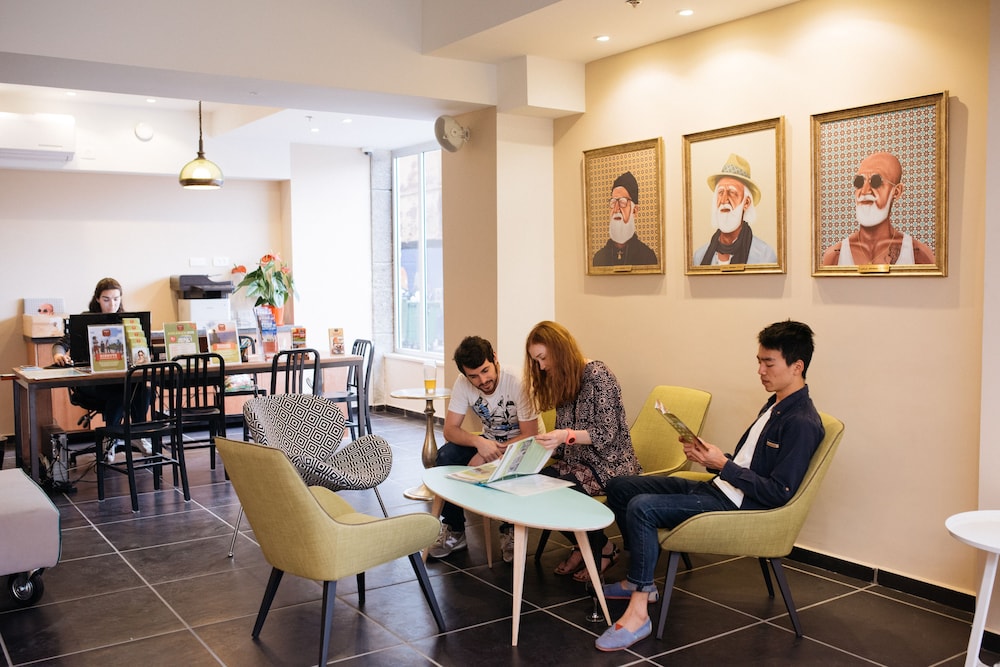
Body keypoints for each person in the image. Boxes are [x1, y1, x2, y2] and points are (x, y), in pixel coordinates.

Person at [593, 320, 824, 652]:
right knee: (621, 487)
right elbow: (749, 465)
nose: (760, 370)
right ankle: (638, 580)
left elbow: (778, 492)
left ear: (797, 366)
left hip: (740, 506)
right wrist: (711, 457)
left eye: (768, 362)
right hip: (720, 487)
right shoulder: (775, 403)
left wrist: (723, 465)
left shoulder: (801, 422)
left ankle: (639, 613)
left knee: (643, 508)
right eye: (758, 361)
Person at [523, 321, 641, 582]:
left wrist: (565, 436)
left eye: (543, 358)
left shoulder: (599, 375)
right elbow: (565, 437)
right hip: (579, 463)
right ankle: (594, 546)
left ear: (559, 350)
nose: (541, 367)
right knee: (532, 488)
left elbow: (608, 434)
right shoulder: (562, 379)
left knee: (558, 492)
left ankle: (599, 551)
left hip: (610, 464)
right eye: (536, 361)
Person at [429, 336, 539, 562]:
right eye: (474, 376)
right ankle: (455, 529)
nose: (482, 380)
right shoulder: (463, 383)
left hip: (524, 445)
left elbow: (530, 434)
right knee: (446, 456)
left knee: (509, 464)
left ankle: (510, 530)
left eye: (486, 370)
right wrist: (480, 444)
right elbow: (450, 430)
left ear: (495, 358)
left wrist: (490, 453)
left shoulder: (519, 381)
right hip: (488, 441)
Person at [51, 277, 151, 462]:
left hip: (120, 380)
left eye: (116, 299)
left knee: (143, 390)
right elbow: (61, 344)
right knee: (119, 393)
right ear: (97, 298)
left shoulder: (128, 322)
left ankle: (138, 434)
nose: (112, 304)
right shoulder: (84, 319)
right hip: (92, 384)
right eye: (106, 299)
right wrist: (59, 355)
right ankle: (110, 439)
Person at [821, 151, 936, 266]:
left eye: (876, 181)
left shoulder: (917, 253)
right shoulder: (834, 255)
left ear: (896, 191)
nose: (865, 191)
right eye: (859, 182)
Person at [693, 154, 777, 266]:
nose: (724, 200)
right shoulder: (700, 256)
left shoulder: (764, 256)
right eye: (721, 192)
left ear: (746, 203)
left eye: (732, 193)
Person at [592, 171, 659, 267]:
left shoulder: (647, 256)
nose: (616, 209)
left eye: (622, 202)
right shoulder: (599, 258)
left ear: (634, 210)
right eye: (613, 202)